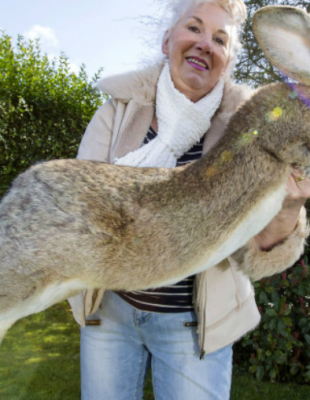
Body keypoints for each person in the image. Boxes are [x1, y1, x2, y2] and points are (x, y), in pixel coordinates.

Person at [68, 0, 310, 398]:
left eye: (219, 39)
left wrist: (288, 207)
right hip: (110, 314)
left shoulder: (253, 128)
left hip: (194, 326)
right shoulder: (116, 112)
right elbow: (80, 207)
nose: (204, 44)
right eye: (194, 29)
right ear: (167, 41)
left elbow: (255, 255)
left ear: (228, 60)